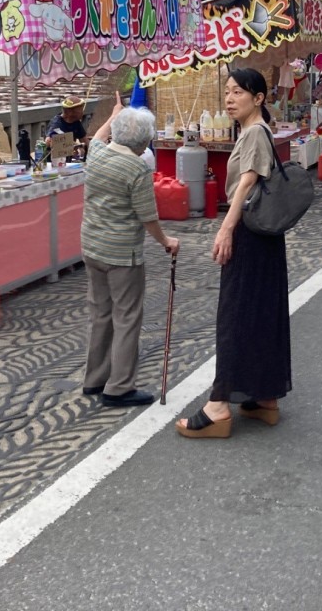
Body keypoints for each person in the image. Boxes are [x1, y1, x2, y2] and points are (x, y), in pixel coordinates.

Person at [177, 67, 291, 439]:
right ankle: (264, 398)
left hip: (249, 232)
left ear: (258, 99)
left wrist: (227, 227)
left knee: (234, 314)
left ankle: (219, 405)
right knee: (260, 312)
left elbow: (247, 180)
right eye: (227, 91)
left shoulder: (256, 131)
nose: (229, 98)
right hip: (264, 237)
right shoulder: (254, 130)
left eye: (238, 92)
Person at [81, 92, 180, 407]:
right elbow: (148, 217)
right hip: (122, 254)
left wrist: (113, 116)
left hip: (92, 247)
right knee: (126, 317)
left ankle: (94, 380)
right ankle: (119, 386)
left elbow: (97, 136)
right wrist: (166, 241)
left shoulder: (95, 152)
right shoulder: (136, 168)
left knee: (101, 314)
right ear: (143, 143)